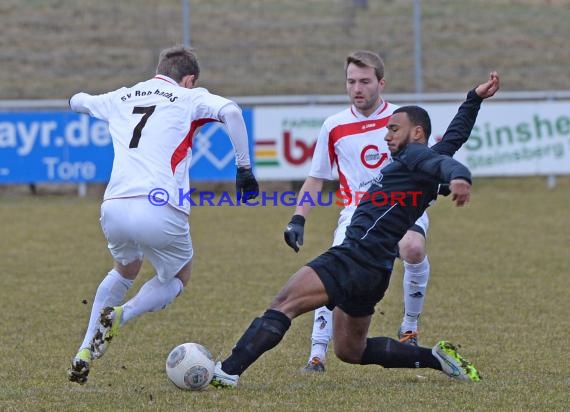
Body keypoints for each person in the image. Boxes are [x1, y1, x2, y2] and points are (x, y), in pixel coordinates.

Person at [210, 72, 500, 388]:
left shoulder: (415, 155)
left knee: (284, 304)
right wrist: (473, 99)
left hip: (354, 257)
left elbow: (449, 166)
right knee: (351, 350)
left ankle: (226, 371)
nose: (387, 136)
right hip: (376, 269)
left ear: (416, 133)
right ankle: (436, 358)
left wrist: (460, 179)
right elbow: (453, 140)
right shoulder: (422, 157)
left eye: (394, 129)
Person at [66, 45, 259, 385]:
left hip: (114, 206)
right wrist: (244, 169)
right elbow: (231, 113)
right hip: (159, 204)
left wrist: (76, 100)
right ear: (188, 78)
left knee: (125, 269)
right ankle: (124, 315)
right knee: (179, 276)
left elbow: (78, 100)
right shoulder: (188, 97)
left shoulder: (123, 96)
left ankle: (84, 350)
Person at [284, 50, 430, 373]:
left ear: (381, 82)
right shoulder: (334, 126)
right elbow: (316, 177)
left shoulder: (403, 119)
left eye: (365, 81)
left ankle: (409, 327)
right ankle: (317, 353)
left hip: (401, 206)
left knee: (413, 247)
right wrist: (298, 218)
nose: (357, 88)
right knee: (335, 268)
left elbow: (423, 164)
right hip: (357, 213)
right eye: (351, 81)